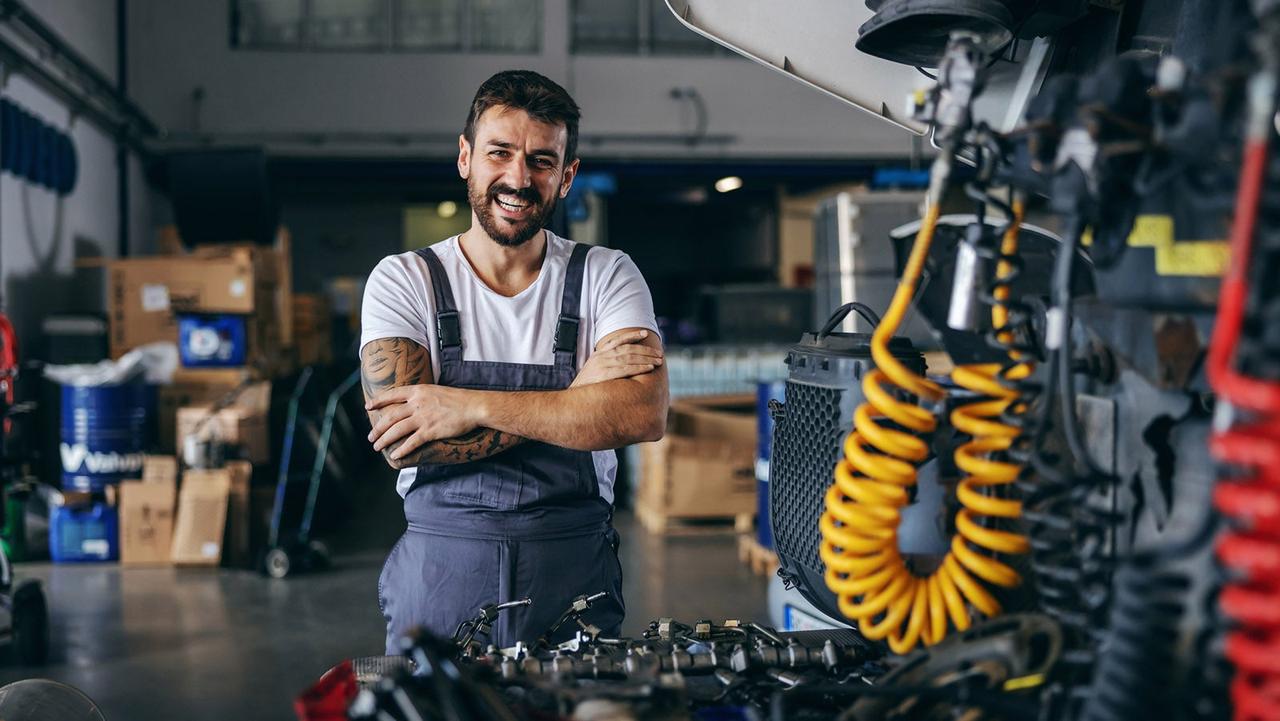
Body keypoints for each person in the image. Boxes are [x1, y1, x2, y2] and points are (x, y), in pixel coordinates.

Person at [359, 70, 668, 653]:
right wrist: (577, 399)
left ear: (567, 175)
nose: (518, 178)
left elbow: (639, 415)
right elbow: (405, 440)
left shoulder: (606, 275)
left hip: (572, 572)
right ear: (465, 157)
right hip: (442, 573)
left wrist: (465, 404)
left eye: (542, 160)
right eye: (499, 153)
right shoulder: (405, 280)